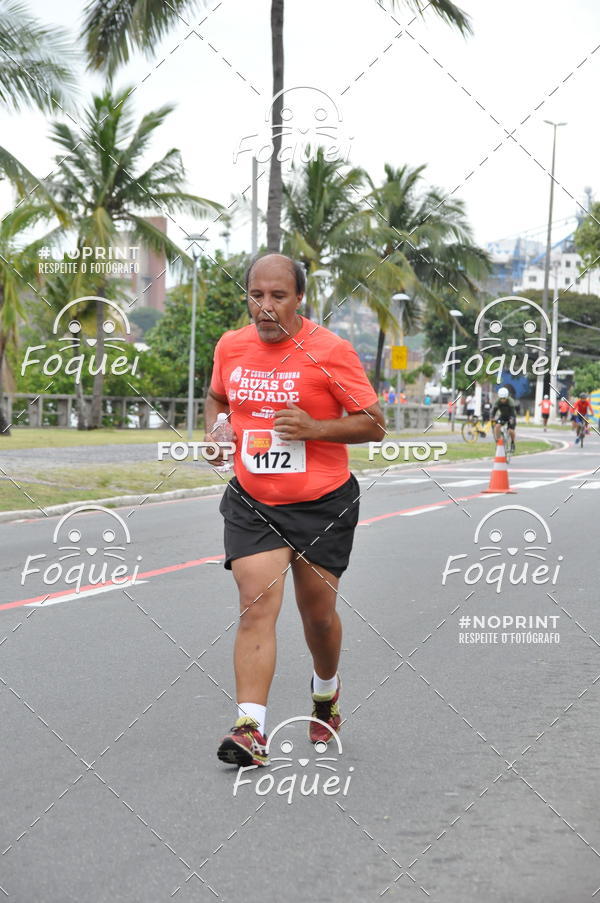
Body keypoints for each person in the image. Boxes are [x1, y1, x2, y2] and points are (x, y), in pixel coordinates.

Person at [205, 253, 385, 768]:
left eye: (277, 296)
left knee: (319, 617)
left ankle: (325, 694)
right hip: (254, 499)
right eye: (256, 295)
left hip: (322, 503)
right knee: (256, 605)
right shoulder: (231, 347)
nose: (265, 307)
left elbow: (374, 423)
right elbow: (217, 396)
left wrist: (316, 428)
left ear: (299, 298)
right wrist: (214, 431)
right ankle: (250, 729)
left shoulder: (330, 351)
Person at [490, 386, 517, 452]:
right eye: (501, 398)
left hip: (511, 416)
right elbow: (494, 410)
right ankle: (498, 442)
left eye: (504, 398)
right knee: (497, 426)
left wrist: (511, 420)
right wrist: (492, 417)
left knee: (511, 430)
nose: (503, 400)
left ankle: (512, 443)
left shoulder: (511, 402)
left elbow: (512, 412)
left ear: (507, 397)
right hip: (503, 416)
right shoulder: (498, 401)